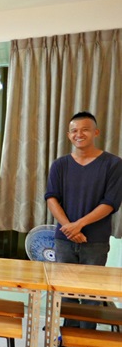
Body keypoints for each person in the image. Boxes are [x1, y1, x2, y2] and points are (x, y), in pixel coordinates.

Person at [45, 111, 122, 330]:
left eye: (85, 130)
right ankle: (67, 336)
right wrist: (69, 228)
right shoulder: (60, 165)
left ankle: (86, 340)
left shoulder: (113, 164)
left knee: (91, 295)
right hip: (64, 240)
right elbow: (51, 198)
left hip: (95, 241)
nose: (79, 134)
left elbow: (110, 203)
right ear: (69, 135)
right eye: (74, 131)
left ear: (96, 132)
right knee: (65, 293)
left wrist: (78, 225)